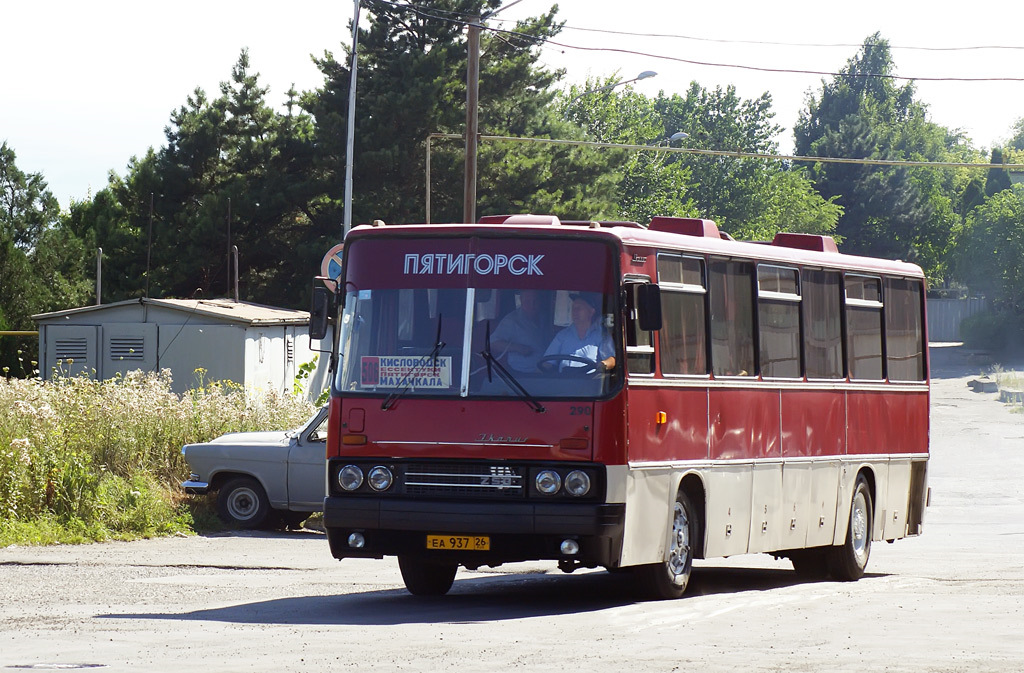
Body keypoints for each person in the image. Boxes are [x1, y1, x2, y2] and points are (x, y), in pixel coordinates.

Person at [542, 292, 616, 373]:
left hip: (590, 383)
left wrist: (602, 365)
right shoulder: (562, 335)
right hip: (563, 381)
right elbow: (548, 362)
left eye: (579, 308)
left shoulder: (601, 336)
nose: (575, 311)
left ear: (591, 312)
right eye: (573, 308)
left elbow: (612, 359)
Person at [491, 289, 550, 373]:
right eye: (527, 301)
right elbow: (493, 343)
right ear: (521, 300)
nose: (532, 305)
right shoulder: (511, 320)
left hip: (544, 370)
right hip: (521, 375)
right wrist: (518, 348)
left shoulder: (545, 317)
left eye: (535, 301)